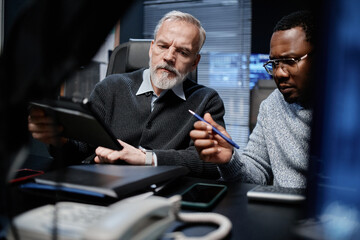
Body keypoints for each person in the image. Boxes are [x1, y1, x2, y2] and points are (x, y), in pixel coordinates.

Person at [28, 10, 225, 179]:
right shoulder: (110, 87)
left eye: (182, 52)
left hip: (165, 197)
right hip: (105, 186)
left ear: (195, 62)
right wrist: (60, 139)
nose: (169, 57)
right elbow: (81, 150)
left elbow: (210, 163)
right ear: (151, 49)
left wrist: (146, 158)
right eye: (163, 46)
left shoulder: (207, 101)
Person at [190, 11, 315, 187]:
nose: (279, 73)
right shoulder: (272, 106)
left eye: (290, 60)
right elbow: (256, 173)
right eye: (275, 63)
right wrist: (228, 160)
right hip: (282, 210)